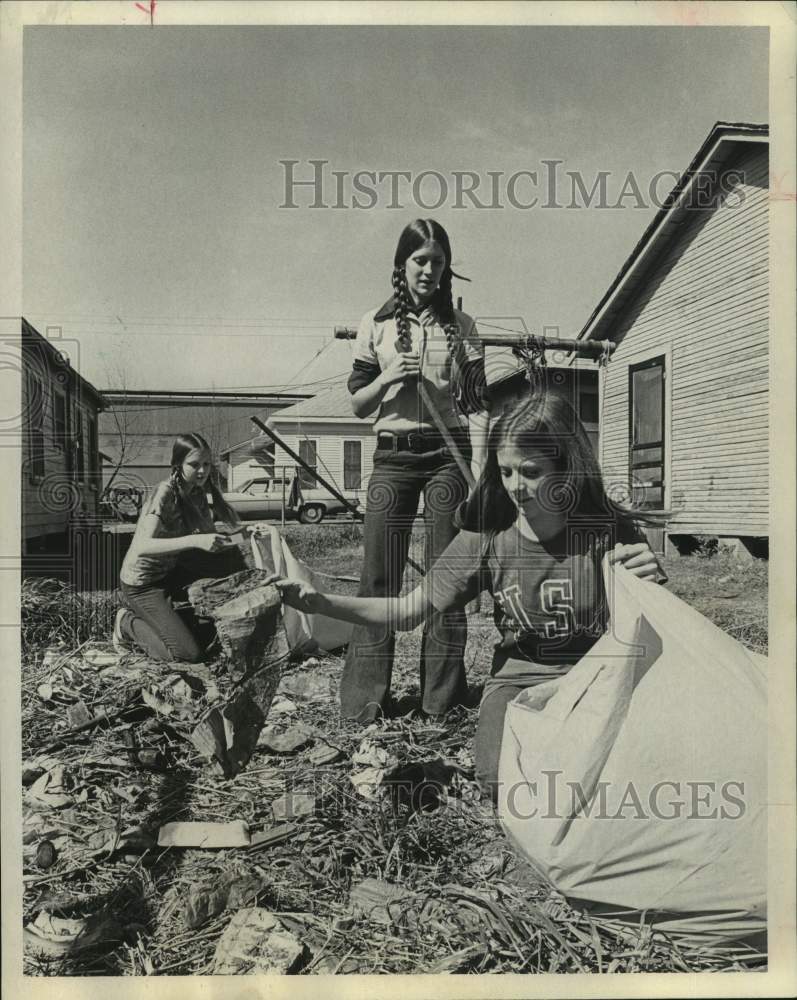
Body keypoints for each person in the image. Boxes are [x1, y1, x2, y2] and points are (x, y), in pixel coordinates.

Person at [270, 388, 665, 799]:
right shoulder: (487, 537)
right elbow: (408, 611)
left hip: (596, 680)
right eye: (506, 472)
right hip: (520, 683)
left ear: (567, 468)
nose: (517, 487)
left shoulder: (606, 532)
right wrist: (319, 601)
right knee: (499, 780)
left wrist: (649, 583)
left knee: (634, 766)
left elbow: (653, 633)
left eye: (531, 472)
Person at [341, 218, 489, 722]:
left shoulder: (463, 329)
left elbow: (477, 407)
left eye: (438, 262)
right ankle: (364, 703)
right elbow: (358, 406)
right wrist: (387, 377)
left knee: (446, 578)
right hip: (392, 457)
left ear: (447, 269)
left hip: (447, 459)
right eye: (419, 260)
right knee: (378, 577)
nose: (428, 270)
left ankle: (440, 703)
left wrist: (483, 470)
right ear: (401, 265)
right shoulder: (375, 324)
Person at [113, 432, 246, 663]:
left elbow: (211, 541)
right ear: (177, 464)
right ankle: (126, 622)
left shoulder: (197, 493)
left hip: (172, 573)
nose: (203, 471)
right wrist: (195, 541)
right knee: (187, 655)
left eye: (206, 464)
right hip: (143, 584)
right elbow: (142, 547)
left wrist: (243, 537)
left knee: (210, 636)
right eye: (195, 465)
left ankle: (182, 618)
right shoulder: (163, 493)